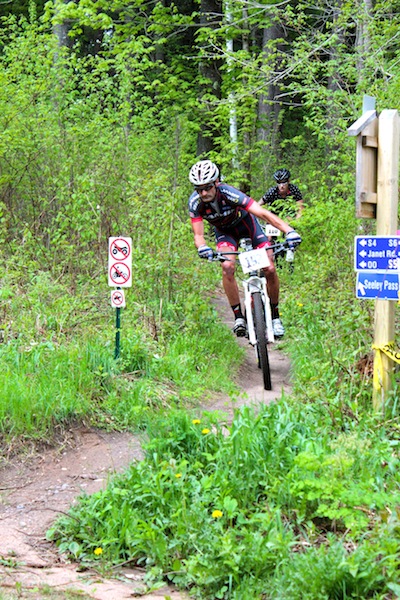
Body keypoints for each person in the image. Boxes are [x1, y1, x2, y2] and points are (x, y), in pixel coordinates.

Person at [188, 160, 302, 338]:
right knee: (227, 267)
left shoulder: (229, 193)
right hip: (226, 234)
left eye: (207, 187)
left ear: (216, 183)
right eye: (198, 189)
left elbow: (262, 213)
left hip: (248, 226)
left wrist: (289, 231)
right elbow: (198, 234)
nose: (203, 193)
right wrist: (202, 247)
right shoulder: (195, 203)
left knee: (270, 268)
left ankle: (275, 316)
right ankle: (238, 317)